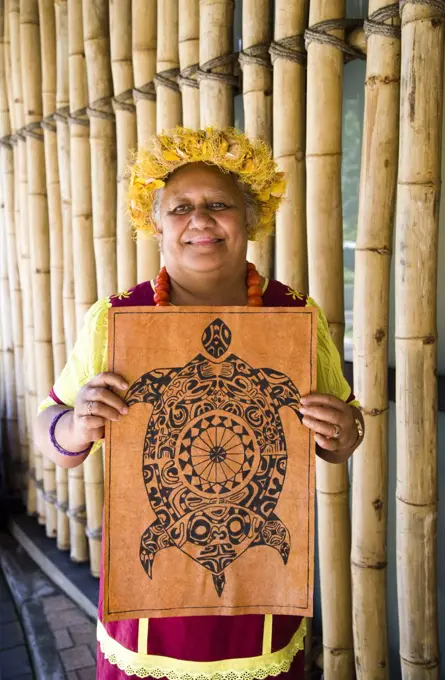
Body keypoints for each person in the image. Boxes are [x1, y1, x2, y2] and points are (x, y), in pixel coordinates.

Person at [35, 127, 364, 679]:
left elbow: (341, 437)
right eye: (181, 208)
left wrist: (343, 430)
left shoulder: (295, 316)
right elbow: (57, 436)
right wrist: (76, 425)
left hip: (261, 589)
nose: (201, 220)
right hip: (146, 606)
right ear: (156, 224)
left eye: (219, 205)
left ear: (250, 217)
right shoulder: (116, 318)